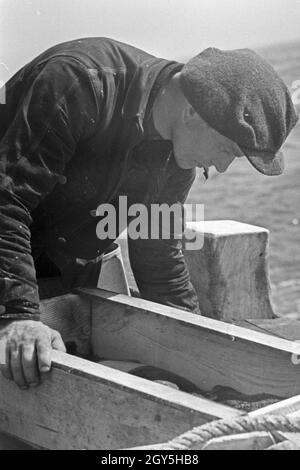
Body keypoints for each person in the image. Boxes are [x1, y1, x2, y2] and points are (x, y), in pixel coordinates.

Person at [0, 38, 298, 389]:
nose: (220, 166)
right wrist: (18, 315)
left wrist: (198, 344)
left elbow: (156, 254)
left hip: (72, 261)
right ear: (192, 112)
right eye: (227, 150)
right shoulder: (78, 82)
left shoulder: (175, 156)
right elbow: (7, 201)